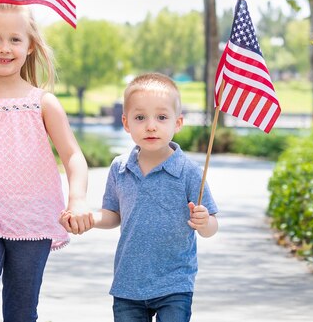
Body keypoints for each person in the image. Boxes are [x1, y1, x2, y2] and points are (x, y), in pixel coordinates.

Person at [0, 3, 92, 322]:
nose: (5, 47)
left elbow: (72, 155)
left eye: (15, 39)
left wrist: (77, 199)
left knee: (21, 311)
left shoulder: (43, 103)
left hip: (33, 216)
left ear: (30, 47)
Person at [61, 72, 219, 322]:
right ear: (126, 122)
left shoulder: (188, 171)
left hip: (174, 283)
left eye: (162, 117)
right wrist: (90, 217)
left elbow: (211, 226)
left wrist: (204, 222)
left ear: (178, 123)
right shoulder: (120, 168)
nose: (151, 125)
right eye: (140, 117)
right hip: (129, 282)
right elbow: (114, 215)